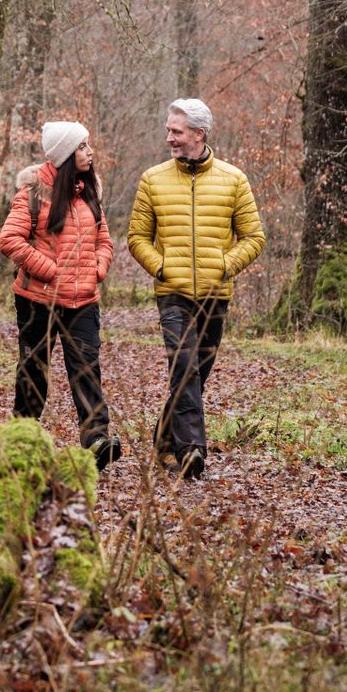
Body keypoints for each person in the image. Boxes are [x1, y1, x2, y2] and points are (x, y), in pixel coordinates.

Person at [127, 99, 265, 480]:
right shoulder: (152, 179)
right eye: (169, 130)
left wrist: (225, 264)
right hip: (172, 293)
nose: (169, 137)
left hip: (215, 293)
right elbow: (137, 237)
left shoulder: (233, 179)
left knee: (195, 375)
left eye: (176, 131)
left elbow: (254, 237)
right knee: (184, 366)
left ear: (199, 134)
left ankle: (164, 438)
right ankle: (192, 451)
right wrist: (160, 265)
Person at [0, 121, 123, 469]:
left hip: (83, 301)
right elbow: (9, 240)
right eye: (83, 146)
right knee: (33, 369)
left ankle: (96, 439)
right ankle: (22, 437)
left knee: (86, 368)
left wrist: (98, 268)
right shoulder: (33, 192)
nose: (90, 151)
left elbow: (104, 238)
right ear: (67, 154)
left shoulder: (89, 191)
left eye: (88, 144)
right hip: (37, 301)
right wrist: (51, 271)